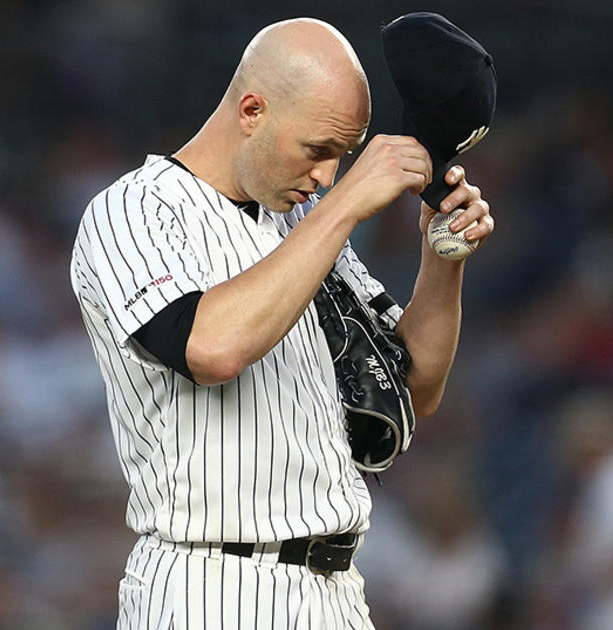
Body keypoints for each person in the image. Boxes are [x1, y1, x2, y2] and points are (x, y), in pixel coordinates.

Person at [68, 17, 493, 629]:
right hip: (211, 585)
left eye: (342, 158)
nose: (327, 176)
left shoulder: (300, 223)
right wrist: (346, 206)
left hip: (337, 589)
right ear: (251, 110)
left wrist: (439, 258)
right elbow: (210, 347)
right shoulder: (135, 208)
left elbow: (416, 389)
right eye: (318, 150)